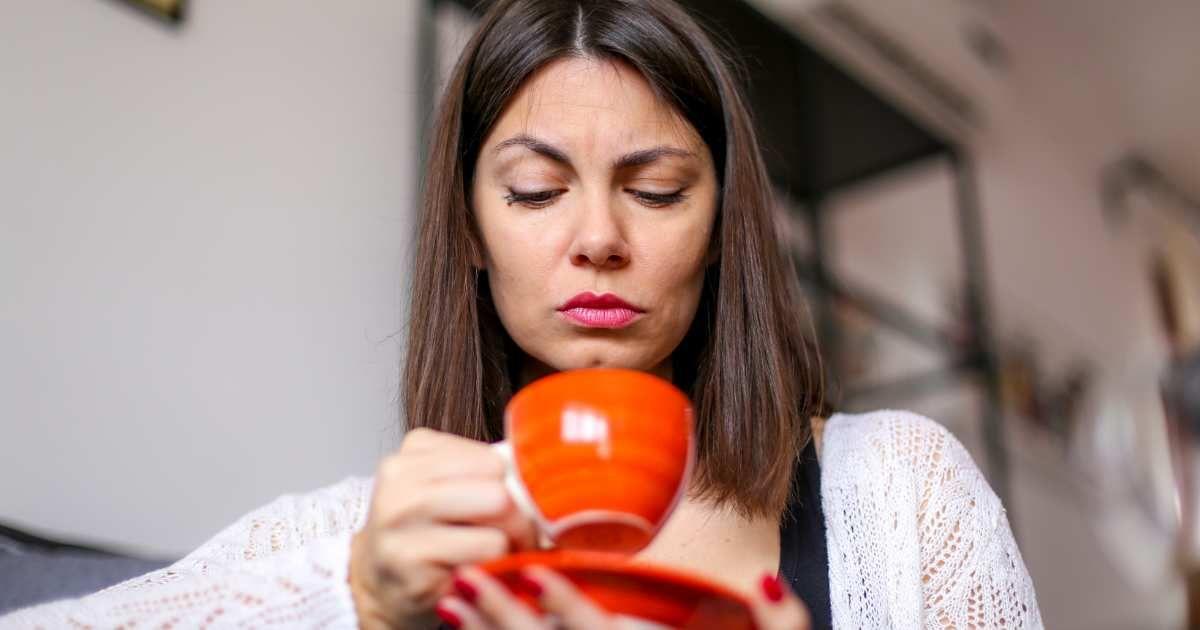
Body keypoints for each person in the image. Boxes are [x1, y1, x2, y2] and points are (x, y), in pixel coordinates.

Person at [2, 0, 1042, 627]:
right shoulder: (364, 541)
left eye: (658, 190)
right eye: (537, 192)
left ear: (726, 228)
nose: (597, 237)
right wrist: (349, 605)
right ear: (467, 231)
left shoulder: (902, 497)